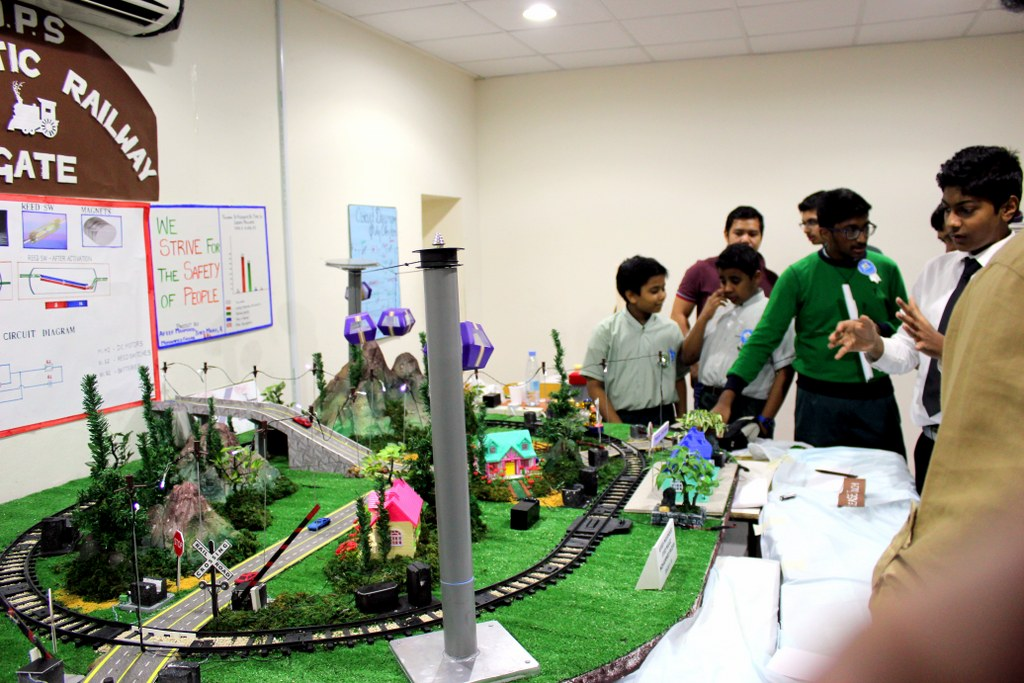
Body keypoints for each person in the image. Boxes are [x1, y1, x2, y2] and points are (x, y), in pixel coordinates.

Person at [828, 146, 1020, 491]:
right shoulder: (938, 270)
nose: (952, 222)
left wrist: (947, 350)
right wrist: (876, 345)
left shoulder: (1015, 276)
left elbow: (1011, 374)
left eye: (966, 210)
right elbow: (909, 352)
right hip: (932, 440)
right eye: (948, 209)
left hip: (991, 450)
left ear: (1007, 208)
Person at [712, 188, 908, 455]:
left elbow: (905, 327)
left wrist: (877, 331)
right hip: (819, 405)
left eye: (865, 228)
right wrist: (728, 395)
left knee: (886, 475)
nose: (862, 238)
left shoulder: (885, 268)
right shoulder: (798, 276)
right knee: (816, 476)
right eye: (851, 230)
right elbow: (764, 338)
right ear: (825, 233)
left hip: (875, 400)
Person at [681, 244, 794, 436]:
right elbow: (687, 357)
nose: (727, 288)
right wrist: (704, 317)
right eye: (722, 280)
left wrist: (764, 421)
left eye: (735, 280)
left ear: (756, 277)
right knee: (699, 454)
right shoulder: (717, 309)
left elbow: (784, 370)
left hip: (747, 404)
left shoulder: (771, 312)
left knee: (742, 455)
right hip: (706, 399)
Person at [582, 255, 684, 425]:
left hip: (663, 417)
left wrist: (682, 422)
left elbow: (678, 378)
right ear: (631, 295)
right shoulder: (606, 332)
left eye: (663, 288)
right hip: (621, 418)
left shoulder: (671, 330)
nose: (662, 296)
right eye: (654, 291)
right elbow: (594, 385)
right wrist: (618, 427)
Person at [670, 205, 778, 335]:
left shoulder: (772, 280)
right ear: (726, 235)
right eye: (738, 233)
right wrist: (691, 345)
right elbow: (678, 314)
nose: (745, 239)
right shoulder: (701, 270)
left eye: (752, 234)